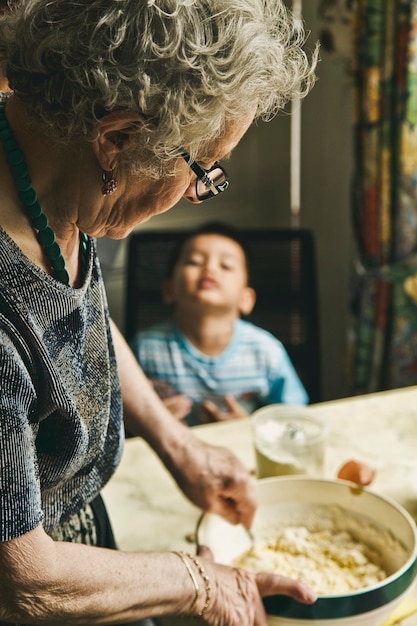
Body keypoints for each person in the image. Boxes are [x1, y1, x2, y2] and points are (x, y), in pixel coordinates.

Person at [0, 1, 319, 625]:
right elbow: (23, 580)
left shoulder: (53, 163)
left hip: (81, 538)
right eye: (204, 169)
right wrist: (199, 582)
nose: (199, 192)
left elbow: (71, 328)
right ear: (117, 140)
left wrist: (177, 444)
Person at [130, 222, 309, 426]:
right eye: (194, 262)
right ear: (169, 290)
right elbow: (119, 417)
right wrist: (149, 422)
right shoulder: (145, 349)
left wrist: (248, 428)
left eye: (226, 265)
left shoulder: (266, 352)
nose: (210, 268)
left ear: (246, 299)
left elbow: (295, 419)